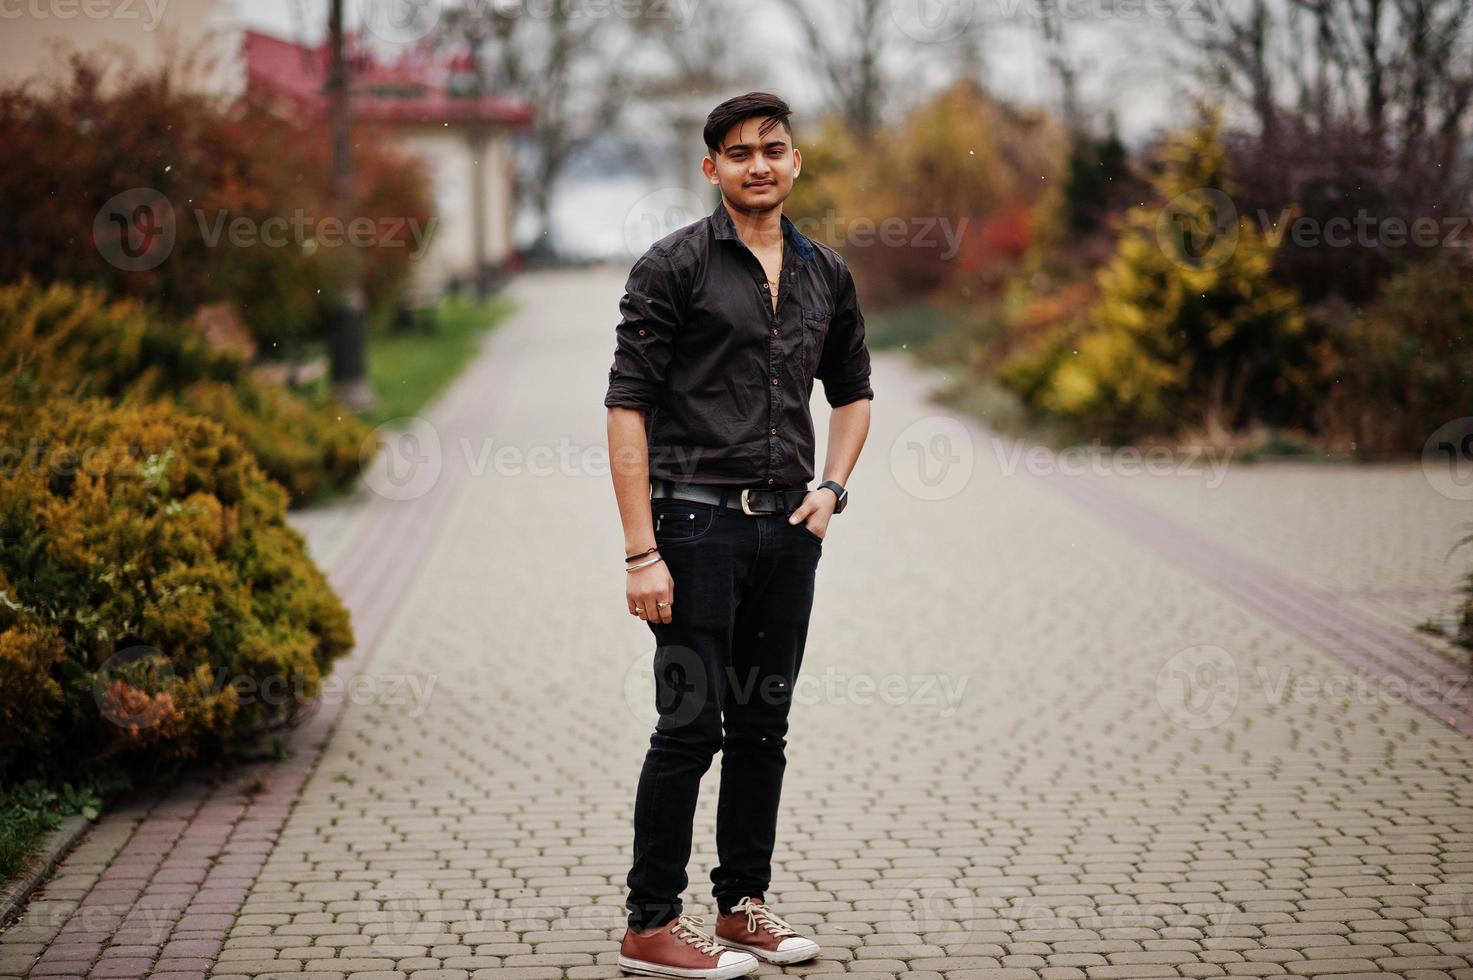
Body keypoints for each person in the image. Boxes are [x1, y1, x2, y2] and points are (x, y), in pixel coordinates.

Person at [604, 90, 874, 979]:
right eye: (739, 150)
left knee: (762, 725)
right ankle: (651, 922)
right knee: (689, 725)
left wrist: (832, 488)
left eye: (774, 148)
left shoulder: (824, 273)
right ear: (710, 166)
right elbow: (627, 409)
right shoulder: (672, 267)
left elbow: (853, 392)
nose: (759, 163)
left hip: (786, 533)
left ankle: (740, 907)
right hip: (691, 527)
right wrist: (641, 550)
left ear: (796, 162)